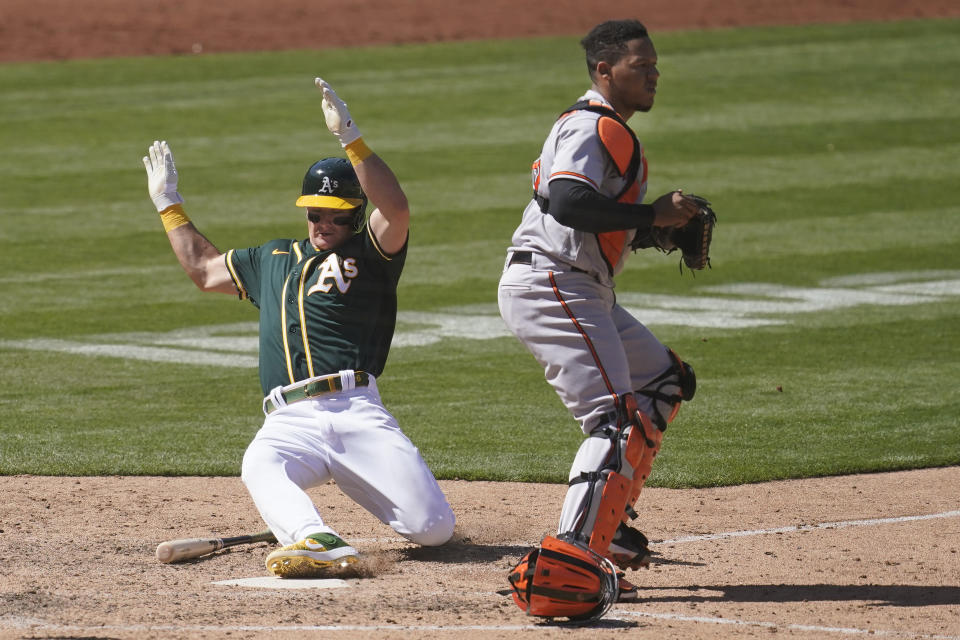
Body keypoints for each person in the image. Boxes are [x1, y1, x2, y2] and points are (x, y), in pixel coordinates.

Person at [142, 77, 455, 578]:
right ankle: (315, 538)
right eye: (313, 211)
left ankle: (313, 511)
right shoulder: (272, 258)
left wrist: (350, 138)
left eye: (333, 213)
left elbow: (395, 208)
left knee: (433, 529)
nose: (321, 222)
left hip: (356, 411)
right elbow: (204, 271)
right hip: (288, 420)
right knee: (259, 462)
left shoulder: (371, 252)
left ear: (354, 212)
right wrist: (168, 205)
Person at [497, 19, 700, 601]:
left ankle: (606, 529)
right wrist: (652, 216)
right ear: (604, 71)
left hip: (579, 283)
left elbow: (585, 215)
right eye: (642, 66)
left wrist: (646, 234)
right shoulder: (591, 125)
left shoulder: (607, 131)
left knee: (664, 379)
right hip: (554, 283)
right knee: (614, 420)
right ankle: (572, 558)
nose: (654, 74)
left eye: (655, 64)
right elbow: (567, 201)